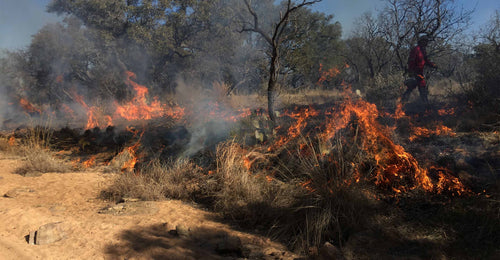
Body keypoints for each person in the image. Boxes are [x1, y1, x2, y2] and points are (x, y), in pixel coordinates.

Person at [401, 34, 437, 103]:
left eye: (426, 41)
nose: (426, 43)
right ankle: (402, 104)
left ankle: (425, 106)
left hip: (420, 73)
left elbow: (426, 60)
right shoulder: (416, 49)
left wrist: (432, 65)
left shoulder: (423, 50)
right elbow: (411, 60)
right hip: (414, 73)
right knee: (411, 88)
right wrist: (411, 71)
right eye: (425, 41)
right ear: (421, 41)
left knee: (422, 89)